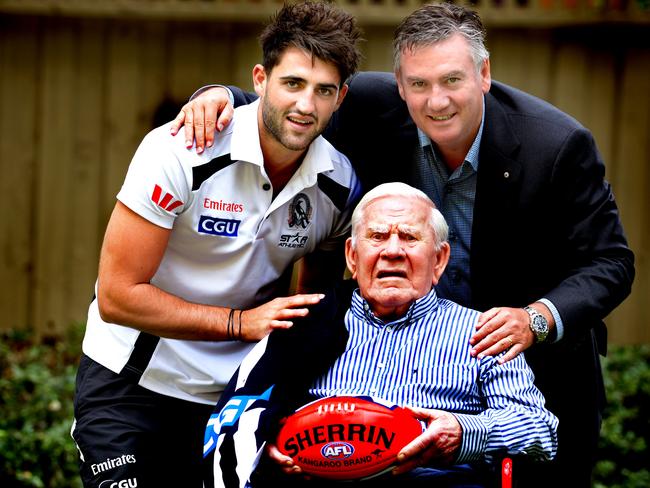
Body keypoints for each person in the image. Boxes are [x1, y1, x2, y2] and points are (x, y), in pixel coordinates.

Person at [172, 4, 635, 485]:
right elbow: (288, 103)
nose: (436, 101)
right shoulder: (371, 107)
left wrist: (534, 318)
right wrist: (219, 95)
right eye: (419, 85)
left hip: (526, 358)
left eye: (452, 80)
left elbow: (611, 262)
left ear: (484, 73)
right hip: (390, 346)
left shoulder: (556, 146)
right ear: (399, 85)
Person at [70, 2, 363, 487]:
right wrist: (240, 323)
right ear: (261, 79)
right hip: (132, 385)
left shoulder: (339, 186)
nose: (306, 105)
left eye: (323, 91)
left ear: (341, 98)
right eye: (292, 83)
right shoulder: (181, 150)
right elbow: (118, 295)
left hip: (236, 398)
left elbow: (313, 310)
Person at [203, 183, 558, 488]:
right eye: (377, 236)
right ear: (352, 257)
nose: (392, 250)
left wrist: (465, 431)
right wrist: (269, 443)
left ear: (439, 260)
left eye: (409, 236)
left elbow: (543, 434)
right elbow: (240, 414)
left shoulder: (483, 331)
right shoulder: (304, 324)